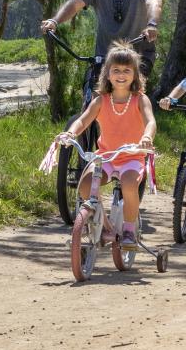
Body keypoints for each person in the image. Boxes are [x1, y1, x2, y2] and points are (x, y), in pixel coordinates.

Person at [57, 41, 155, 250]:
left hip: (131, 157)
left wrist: (147, 136)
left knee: (129, 184)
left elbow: (150, 121)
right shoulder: (101, 100)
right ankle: (105, 225)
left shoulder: (140, 99)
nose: (121, 74)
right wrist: (71, 132)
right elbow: (83, 120)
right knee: (84, 186)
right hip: (106, 157)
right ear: (107, 74)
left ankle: (129, 229)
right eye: (116, 70)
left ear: (135, 75)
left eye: (127, 70)